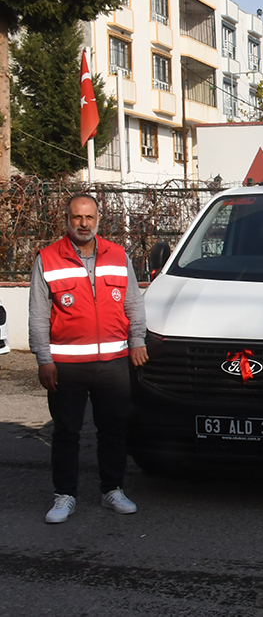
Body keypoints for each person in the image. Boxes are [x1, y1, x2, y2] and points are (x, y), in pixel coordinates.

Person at [29, 193, 147, 524]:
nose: (83, 223)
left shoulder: (118, 255)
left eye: (89, 218)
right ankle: (64, 496)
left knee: (112, 429)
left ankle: (112, 490)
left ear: (98, 220)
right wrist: (43, 359)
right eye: (77, 217)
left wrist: (137, 340)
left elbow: (133, 303)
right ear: (66, 219)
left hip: (112, 362)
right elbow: (38, 315)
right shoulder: (48, 258)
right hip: (65, 366)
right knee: (66, 431)